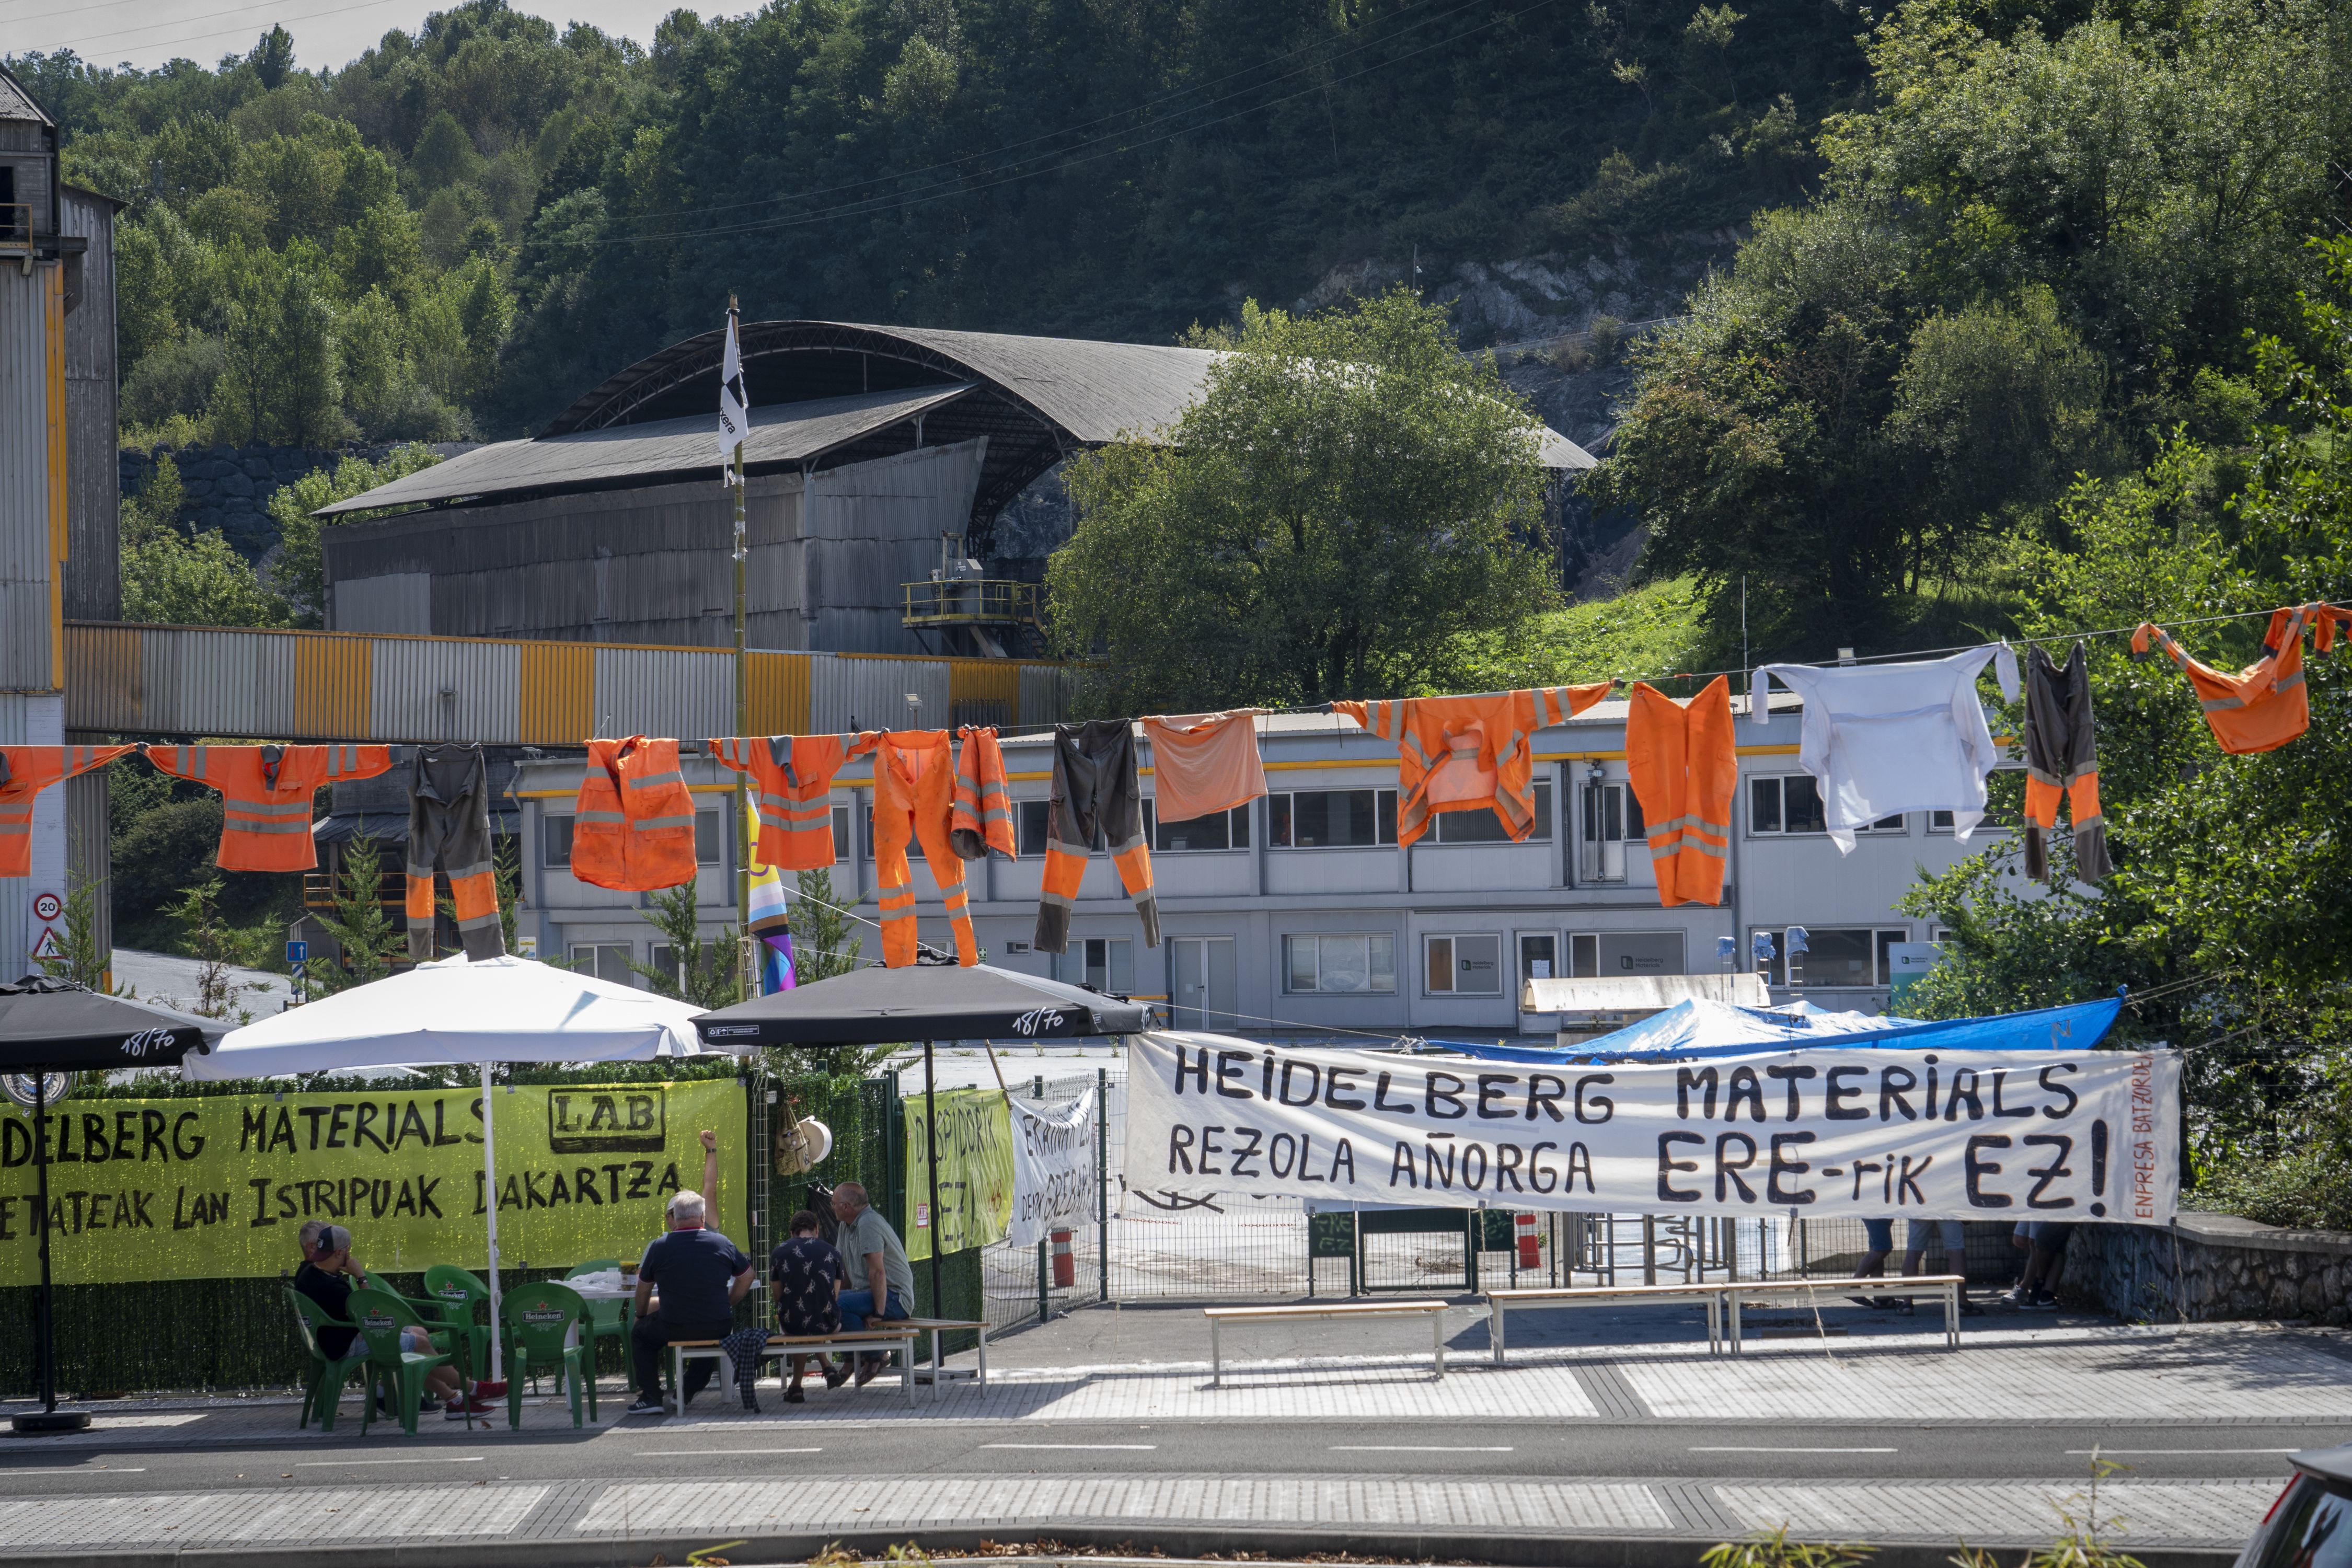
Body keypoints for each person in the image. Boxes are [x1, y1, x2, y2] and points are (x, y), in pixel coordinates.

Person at [292, 1225, 502, 1419]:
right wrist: (360, 1276)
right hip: (346, 1343)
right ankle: (472, 1389)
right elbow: (373, 1314)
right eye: (348, 1249)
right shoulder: (331, 1287)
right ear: (340, 1252)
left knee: (419, 1333)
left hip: (337, 1337)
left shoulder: (311, 1272)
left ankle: (451, 1399)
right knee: (418, 1344)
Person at [628, 1189, 754, 1415]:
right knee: (711, 1340)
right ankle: (685, 1392)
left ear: (674, 1218)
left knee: (640, 1335)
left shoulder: (659, 1247)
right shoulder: (722, 1243)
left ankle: (651, 1398)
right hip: (717, 1322)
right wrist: (729, 1302)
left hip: (673, 1324)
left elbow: (643, 1287)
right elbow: (747, 1276)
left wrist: (639, 1315)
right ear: (703, 1217)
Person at [829, 1179, 915, 1387]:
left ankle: (876, 1355)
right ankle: (854, 1356)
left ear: (846, 1207)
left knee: (838, 1305)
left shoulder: (868, 1223)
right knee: (828, 1303)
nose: (831, 1207)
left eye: (833, 1203)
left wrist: (878, 1312)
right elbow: (844, 1269)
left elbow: (877, 1272)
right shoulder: (846, 1225)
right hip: (870, 1294)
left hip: (894, 1297)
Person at [769, 1208, 851, 1403]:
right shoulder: (833, 1252)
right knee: (814, 1315)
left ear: (792, 1233)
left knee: (801, 1324)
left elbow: (777, 1295)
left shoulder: (779, 1252)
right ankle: (826, 1369)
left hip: (792, 1322)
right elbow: (834, 1295)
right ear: (816, 1229)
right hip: (828, 1321)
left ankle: (797, 1386)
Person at [2006, 1220, 2071, 1309]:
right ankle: (2040, 1290)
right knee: (2028, 1241)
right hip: (2038, 1209)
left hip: (2055, 1212)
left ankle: (2042, 1290)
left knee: (2044, 1243)